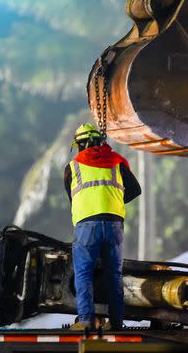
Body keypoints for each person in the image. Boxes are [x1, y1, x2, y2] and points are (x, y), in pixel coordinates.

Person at [64, 123, 141, 331]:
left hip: (87, 226)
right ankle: (116, 323)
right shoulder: (117, 163)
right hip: (114, 224)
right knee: (114, 275)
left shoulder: (73, 167)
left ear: (80, 144)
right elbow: (135, 190)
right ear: (100, 141)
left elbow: (73, 198)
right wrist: (111, 199)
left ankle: (87, 320)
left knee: (84, 273)